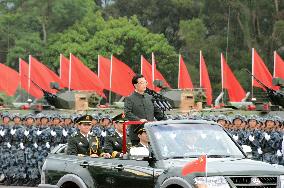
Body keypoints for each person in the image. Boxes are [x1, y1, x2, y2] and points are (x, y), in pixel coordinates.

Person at [124, 74, 165, 145]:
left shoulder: (149, 97)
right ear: (135, 85)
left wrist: (166, 120)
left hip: (150, 134)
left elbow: (157, 112)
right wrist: (138, 120)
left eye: (145, 82)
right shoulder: (129, 98)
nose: (144, 85)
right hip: (137, 135)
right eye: (141, 83)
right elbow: (127, 113)